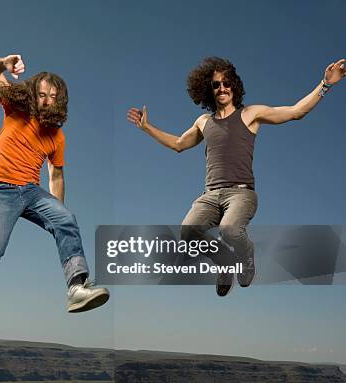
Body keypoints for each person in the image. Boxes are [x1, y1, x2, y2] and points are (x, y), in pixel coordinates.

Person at [127, 57, 345, 296]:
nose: (222, 88)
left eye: (226, 83)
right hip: (210, 195)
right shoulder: (203, 122)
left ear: (234, 86)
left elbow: (295, 112)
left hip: (241, 194)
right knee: (188, 232)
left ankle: (246, 257)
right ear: (208, 90)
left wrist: (325, 84)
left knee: (229, 229)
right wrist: (147, 127)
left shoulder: (250, 114)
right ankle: (224, 263)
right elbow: (179, 144)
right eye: (216, 84)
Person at [0, 54, 110, 313]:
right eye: (43, 94)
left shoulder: (57, 136)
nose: (47, 100)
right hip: (2, 189)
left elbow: (56, 175)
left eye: (53, 96)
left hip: (32, 192)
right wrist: (4, 63)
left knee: (67, 219)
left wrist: (58, 216)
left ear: (60, 101)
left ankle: (76, 288)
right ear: (34, 94)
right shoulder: (15, 109)